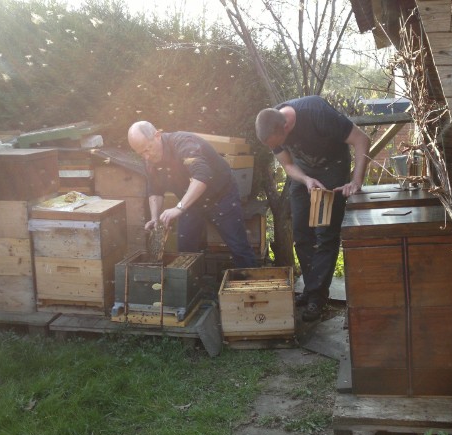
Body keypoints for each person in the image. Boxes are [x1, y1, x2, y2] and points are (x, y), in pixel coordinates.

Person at [255, 95, 370, 322]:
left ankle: (318, 297)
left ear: (286, 126)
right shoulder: (271, 125)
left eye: (277, 142)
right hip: (304, 173)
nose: (275, 147)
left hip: (333, 168)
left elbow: (362, 140)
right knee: (301, 233)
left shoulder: (317, 113)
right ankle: (311, 288)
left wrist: (356, 181)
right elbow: (288, 164)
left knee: (325, 234)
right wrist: (306, 180)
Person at [127, 121, 256, 269]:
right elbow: (155, 189)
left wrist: (179, 207)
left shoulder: (184, 143)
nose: (147, 156)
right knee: (186, 253)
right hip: (191, 204)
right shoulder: (149, 161)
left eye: (148, 149)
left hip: (221, 197)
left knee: (239, 247)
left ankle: (254, 287)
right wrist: (155, 218)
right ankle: (194, 288)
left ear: (157, 136)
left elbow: (202, 175)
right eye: (141, 153)